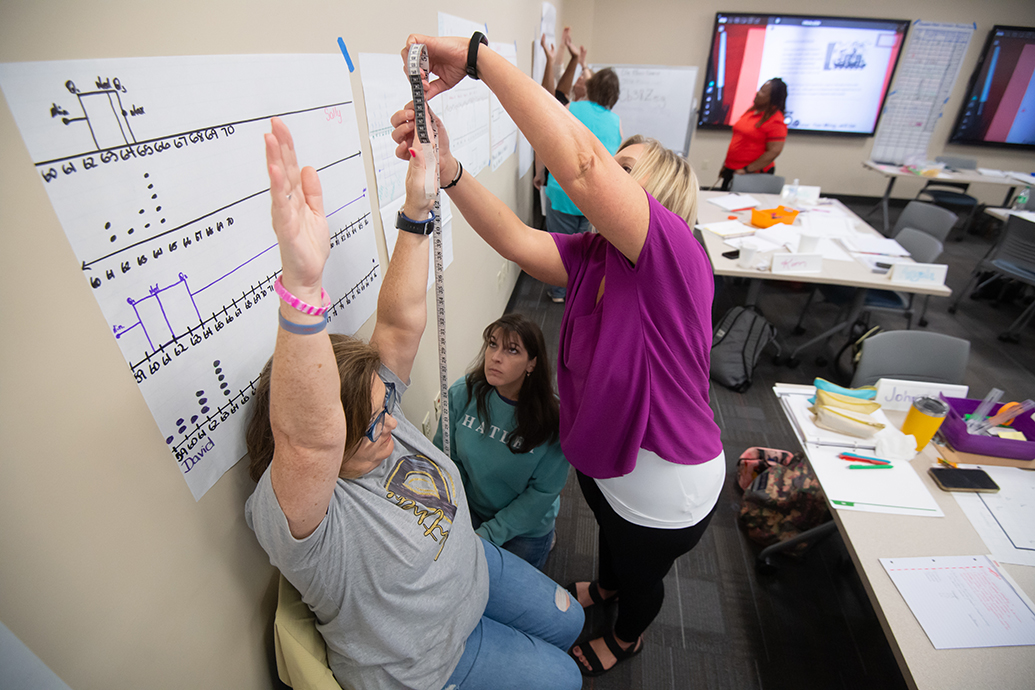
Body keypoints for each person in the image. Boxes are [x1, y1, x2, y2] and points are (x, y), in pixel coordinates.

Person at [390, 34, 725, 678]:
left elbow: (583, 168)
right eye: (612, 159)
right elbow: (515, 238)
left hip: (668, 491)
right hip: (607, 464)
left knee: (641, 573)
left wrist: (480, 59)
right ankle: (605, 590)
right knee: (609, 546)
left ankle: (628, 636)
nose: (604, 171)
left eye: (623, 169)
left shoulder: (675, 259)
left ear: (655, 197)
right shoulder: (594, 255)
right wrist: (450, 169)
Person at [244, 113, 583, 690]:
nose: (392, 421)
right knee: (567, 680)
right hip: (430, 659)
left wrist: (418, 209)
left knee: (572, 622)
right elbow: (309, 437)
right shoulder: (311, 523)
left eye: (386, 404)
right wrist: (302, 290)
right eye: (374, 420)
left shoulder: (374, 416)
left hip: (473, 568)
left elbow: (399, 327)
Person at [433, 313, 569, 570]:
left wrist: (489, 535)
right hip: (472, 509)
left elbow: (542, 493)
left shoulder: (554, 420)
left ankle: (547, 539)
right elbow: (445, 455)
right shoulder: (463, 393)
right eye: (492, 344)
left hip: (525, 528)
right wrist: (458, 513)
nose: (495, 356)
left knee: (510, 594)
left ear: (532, 364)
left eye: (512, 350)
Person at [540, 65, 622, 303]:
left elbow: (551, 140)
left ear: (591, 87)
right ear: (614, 96)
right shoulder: (616, 122)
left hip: (563, 190)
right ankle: (581, 291)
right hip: (595, 196)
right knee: (587, 248)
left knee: (559, 245)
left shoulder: (570, 108)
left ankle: (558, 292)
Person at [718, 78, 788, 191]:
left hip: (751, 174)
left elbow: (774, 151)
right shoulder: (752, 112)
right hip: (732, 169)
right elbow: (739, 141)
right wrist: (726, 165)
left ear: (772, 98)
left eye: (763, 91)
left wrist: (747, 170)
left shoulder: (775, 120)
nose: (757, 93)